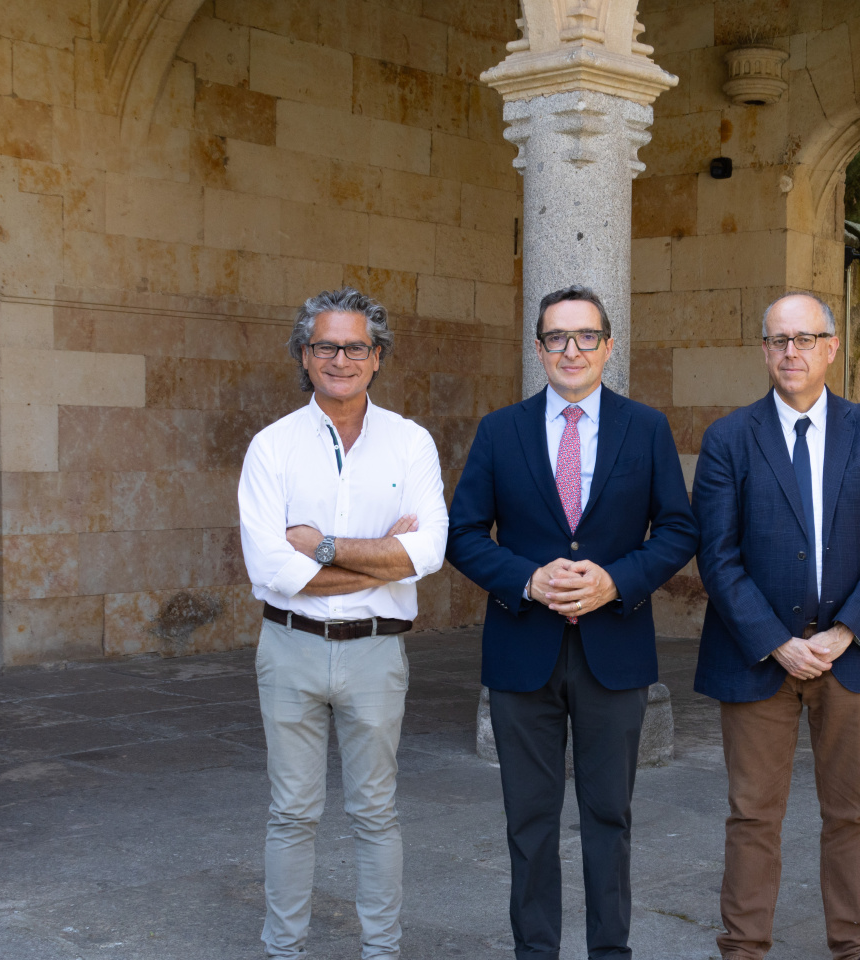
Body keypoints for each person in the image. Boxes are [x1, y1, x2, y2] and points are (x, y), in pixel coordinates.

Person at [445, 285, 698, 960]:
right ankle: (537, 952)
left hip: (613, 651)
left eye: (586, 336)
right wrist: (526, 578)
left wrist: (617, 580)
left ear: (608, 347)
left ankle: (610, 953)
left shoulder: (645, 428)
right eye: (557, 337)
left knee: (608, 820)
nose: (572, 350)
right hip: (521, 652)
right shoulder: (502, 430)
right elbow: (463, 533)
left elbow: (677, 529)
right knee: (528, 823)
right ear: (538, 349)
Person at [692, 292, 860, 960]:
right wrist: (778, 643)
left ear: (832, 347)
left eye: (806, 338)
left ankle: (854, 945)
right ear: (764, 351)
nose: (792, 352)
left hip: (851, 655)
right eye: (779, 340)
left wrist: (842, 633)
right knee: (753, 815)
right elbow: (717, 555)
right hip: (759, 657)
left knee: (852, 813)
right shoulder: (730, 438)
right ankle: (744, 949)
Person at [238, 287, 449, 960]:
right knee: (292, 814)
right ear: (305, 355)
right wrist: (385, 560)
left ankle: (381, 952)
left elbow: (430, 553)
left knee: (375, 813)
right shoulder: (271, 447)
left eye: (355, 346)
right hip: (290, 648)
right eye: (325, 345)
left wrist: (323, 546)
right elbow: (272, 567)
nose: (340, 359)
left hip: (376, 654)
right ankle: (284, 951)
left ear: (377, 356)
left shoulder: (410, 443)